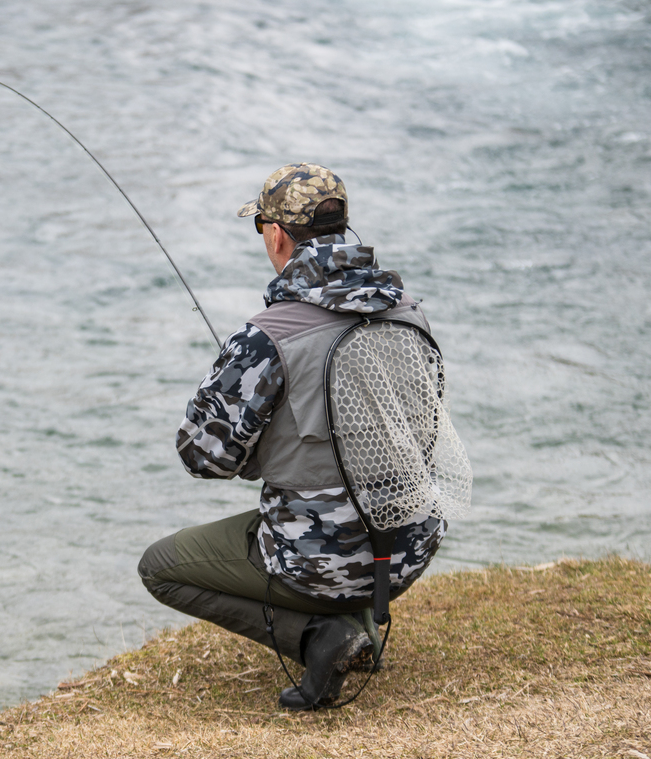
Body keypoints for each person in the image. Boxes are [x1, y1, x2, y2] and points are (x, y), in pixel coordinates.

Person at [137, 163, 446, 710]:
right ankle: (356, 627)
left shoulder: (266, 336)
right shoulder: (410, 315)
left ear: (276, 234)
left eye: (260, 228)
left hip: (318, 562)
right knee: (338, 515)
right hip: (406, 550)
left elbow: (202, 457)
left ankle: (318, 637)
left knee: (160, 567)